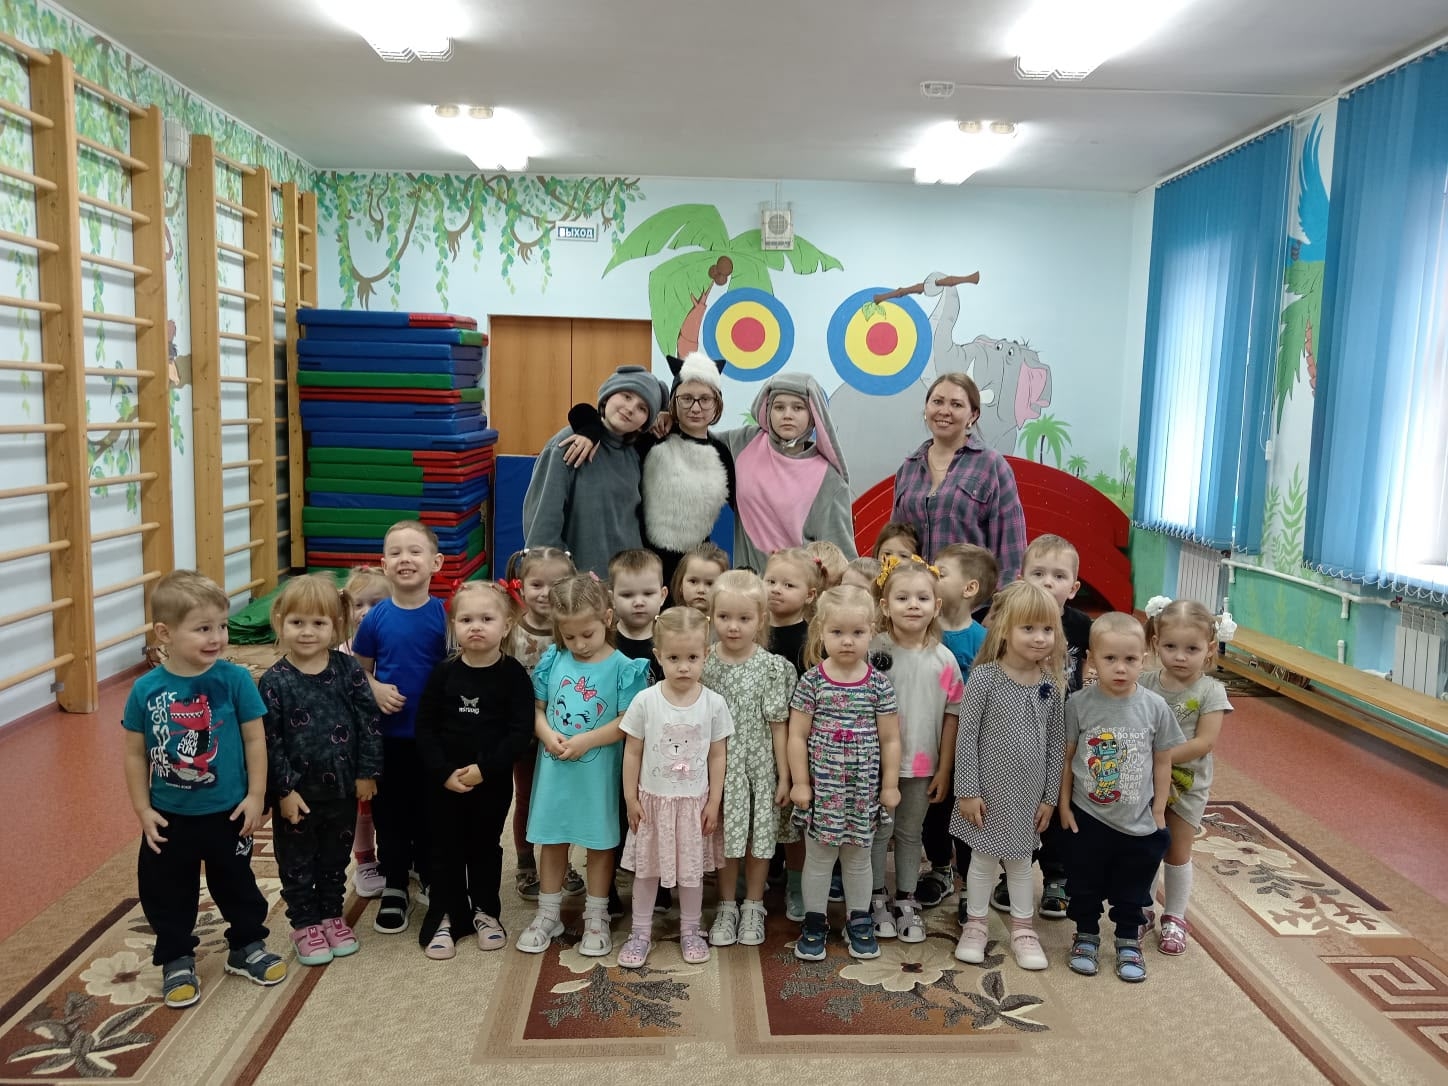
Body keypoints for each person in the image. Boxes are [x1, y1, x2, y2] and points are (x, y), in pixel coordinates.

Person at [122, 570, 287, 1008]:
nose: (217, 637)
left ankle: (246, 945)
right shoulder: (145, 690)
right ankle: (176, 956)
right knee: (165, 890)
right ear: (165, 633)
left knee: (237, 883)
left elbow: (255, 740)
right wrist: (142, 810)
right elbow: (135, 754)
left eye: (221, 626)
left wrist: (257, 795)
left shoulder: (235, 680)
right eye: (202, 629)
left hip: (227, 811)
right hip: (168, 816)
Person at [515, 575, 652, 956]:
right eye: (569, 636)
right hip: (555, 770)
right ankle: (548, 913)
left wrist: (586, 741)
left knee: (599, 842)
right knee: (553, 839)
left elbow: (628, 722)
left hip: (597, 775)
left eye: (587, 634)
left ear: (607, 618)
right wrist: (546, 734)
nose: (579, 644)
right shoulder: (553, 660)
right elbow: (537, 709)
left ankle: (596, 914)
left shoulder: (624, 668)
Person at [261, 574, 383, 968]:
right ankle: (305, 923)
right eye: (297, 622)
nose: (308, 632)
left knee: (334, 858)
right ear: (280, 622)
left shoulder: (348, 670)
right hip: (298, 795)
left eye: (318, 623)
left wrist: (367, 772)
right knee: (297, 862)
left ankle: (331, 915)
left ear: (336, 625)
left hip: (343, 789)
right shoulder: (274, 681)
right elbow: (269, 742)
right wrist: (283, 791)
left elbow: (368, 723)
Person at [1060, 613, 1184, 983]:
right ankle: (1086, 935)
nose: (1120, 668)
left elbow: (1163, 761)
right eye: (1110, 658)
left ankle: (1128, 939)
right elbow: (1066, 759)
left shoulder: (1155, 707)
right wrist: (1064, 805)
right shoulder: (1078, 704)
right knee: (1083, 884)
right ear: (1091, 660)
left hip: (1137, 820)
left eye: (1130, 659)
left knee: (1133, 888)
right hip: (1087, 816)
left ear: (1144, 659)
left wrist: (1159, 809)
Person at [414, 582, 535, 959]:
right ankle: (446, 915)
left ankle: (485, 911)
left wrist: (485, 769)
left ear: (507, 624)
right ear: (454, 625)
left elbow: (520, 733)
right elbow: (425, 727)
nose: (476, 626)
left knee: (484, 846)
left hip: (491, 782)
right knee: (445, 846)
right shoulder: (443, 673)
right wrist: (443, 772)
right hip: (444, 782)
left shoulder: (513, 675)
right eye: (466, 620)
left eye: (486, 618)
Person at [951, 582, 1066, 971]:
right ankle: (976, 925)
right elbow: (966, 737)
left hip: (1028, 798)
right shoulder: (985, 678)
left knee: (1020, 863)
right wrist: (968, 791)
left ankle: (1023, 930)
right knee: (982, 861)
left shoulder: (1050, 685)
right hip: (986, 794)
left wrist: (1049, 798)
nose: (1039, 638)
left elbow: (1055, 745)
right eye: (1028, 628)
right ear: (1005, 630)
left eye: (1047, 629)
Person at [787, 585, 901, 961]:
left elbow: (890, 739)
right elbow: (797, 735)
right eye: (837, 632)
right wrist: (800, 782)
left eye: (857, 632)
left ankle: (859, 919)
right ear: (821, 632)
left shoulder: (879, 685)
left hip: (863, 792)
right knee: (819, 858)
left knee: (858, 858)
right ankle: (815, 920)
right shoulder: (812, 682)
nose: (847, 641)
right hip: (824, 790)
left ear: (872, 631)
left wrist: (890, 785)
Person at [618, 607, 733, 967]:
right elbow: (632, 752)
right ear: (658, 656)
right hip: (652, 805)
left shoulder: (714, 704)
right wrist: (630, 797)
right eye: (674, 658)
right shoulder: (645, 701)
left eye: (692, 658)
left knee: (691, 873)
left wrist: (714, 801)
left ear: (706, 654)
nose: (684, 667)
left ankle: (690, 930)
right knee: (646, 871)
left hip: (693, 806)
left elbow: (718, 755)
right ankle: (639, 933)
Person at [561, 352, 734, 589]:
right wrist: (590, 430)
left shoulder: (722, 453)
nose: (696, 408)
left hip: (693, 573)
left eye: (705, 399)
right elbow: (589, 414)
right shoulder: (651, 437)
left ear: (717, 404)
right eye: (686, 398)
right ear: (674, 400)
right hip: (643, 567)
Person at [351, 520, 449, 935]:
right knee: (390, 814)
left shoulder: (445, 615)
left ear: (436, 563)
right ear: (384, 564)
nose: (405, 559)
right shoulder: (375, 618)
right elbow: (358, 671)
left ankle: (427, 872)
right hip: (388, 737)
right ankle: (394, 883)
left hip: (434, 738)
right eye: (395, 552)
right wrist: (374, 688)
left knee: (431, 810)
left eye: (414, 551)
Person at [990, 534, 1092, 918]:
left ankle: (1057, 876)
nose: (1048, 582)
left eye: (1059, 576)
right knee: (1020, 802)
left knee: (1061, 802)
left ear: (1074, 588)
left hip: (1065, 733)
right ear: (1021, 578)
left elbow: (1093, 666)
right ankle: (1012, 871)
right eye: (1038, 573)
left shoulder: (1081, 626)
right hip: (1021, 728)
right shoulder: (1011, 621)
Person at [867, 556, 963, 945]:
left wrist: (944, 769)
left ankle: (906, 898)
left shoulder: (944, 660)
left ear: (936, 606)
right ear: (885, 605)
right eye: (902, 597)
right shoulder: (873, 650)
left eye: (922, 598)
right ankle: (875, 897)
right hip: (875, 764)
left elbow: (953, 716)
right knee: (878, 831)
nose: (912, 605)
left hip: (923, 765)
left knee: (910, 833)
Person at [702, 570, 796, 948]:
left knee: (760, 839)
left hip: (759, 771)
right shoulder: (704, 664)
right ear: (711, 616)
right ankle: (726, 906)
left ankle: (754, 905)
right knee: (724, 840)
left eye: (744, 618)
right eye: (724, 617)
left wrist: (785, 777)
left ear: (761, 620)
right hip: (718, 771)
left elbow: (779, 727)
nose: (733, 626)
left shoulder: (773, 668)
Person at [1140, 598, 1232, 955]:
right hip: (1144, 782)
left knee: (1177, 851)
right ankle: (1143, 909)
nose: (1180, 657)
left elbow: (1204, 742)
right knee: (1146, 845)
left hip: (1186, 786)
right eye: (1170, 647)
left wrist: (1158, 756)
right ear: (1155, 643)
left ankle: (1175, 916)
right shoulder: (1145, 683)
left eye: (1191, 649)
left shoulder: (1211, 691)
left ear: (1209, 648)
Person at [523, 365, 665, 578]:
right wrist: (560, 578)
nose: (630, 408)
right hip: (578, 585)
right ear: (607, 396)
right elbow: (542, 526)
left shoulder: (637, 455)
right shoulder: (569, 443)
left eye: (642, 408)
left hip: (625, 585)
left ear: (645, 423)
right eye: (626, 396)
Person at [916, 542, 997, 910]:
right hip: (927, 737)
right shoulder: (922, 631)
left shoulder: (983, 641)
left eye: (941, 572)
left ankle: (970, 883)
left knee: (966, 812)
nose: (931, 575)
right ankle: (939, 868)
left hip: (969, 745)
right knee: (932, 810)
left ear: (969, 588)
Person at [500, 547, 584, 902]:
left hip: (566, 732)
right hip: (524, 734)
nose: (546, 593)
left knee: (562, 798)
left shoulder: (574, 631)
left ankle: (562, 862)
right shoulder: (510, 631)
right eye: (537, 584)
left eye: (557, 584)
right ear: (521, 585)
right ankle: (525, 862)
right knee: (527, 797)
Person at [891, 373, 1027, 580]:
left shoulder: (991, 466)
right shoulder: (908, 468)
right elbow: (893, 542)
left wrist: (1003, 599)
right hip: (916, 597)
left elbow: (1011, 552)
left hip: (974, 598)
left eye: (956, 404)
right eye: (937, 402)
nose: (944, 411)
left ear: (973, 415)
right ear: (926, 409)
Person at [719, 373, 856, 572]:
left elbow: (842, 560)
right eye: (779, 407)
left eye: (798, 408)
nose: (787, 415)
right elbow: (696, 443)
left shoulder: (828, 480)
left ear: (813, 414)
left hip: (799, 588)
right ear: (767, 410)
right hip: (748, 587)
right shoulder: (744, 443)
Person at [764, 547, 822, 920]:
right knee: (761, 810)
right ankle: (760, 873)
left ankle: (797, 884)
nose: (776, 589)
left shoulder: (811, 640)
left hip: (800, 744)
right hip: (758, 739)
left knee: (794, 819)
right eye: (770, 581)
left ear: (810, 595)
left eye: (788, 585)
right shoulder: (754, 630)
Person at [339, 565, 391, 899]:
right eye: (358, 604)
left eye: (376, 604)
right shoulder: (340, 652)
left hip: (391, 739)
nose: (365, 612)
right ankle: (365, 861)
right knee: (363, 807)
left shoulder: (395, 644)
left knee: (394, 804)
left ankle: (400, 854)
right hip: (356, 746)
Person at [609, 548, 668, 685]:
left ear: (662, 596)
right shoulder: (604, 639)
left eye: (648, 594)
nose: (639, 602)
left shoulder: (670, 639)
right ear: (612, 599)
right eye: (627, 595)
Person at [671, 541, 729, 614]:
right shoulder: (669, 620)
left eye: (710, 584)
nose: (701, 590)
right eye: (693, 581)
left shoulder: (729, 621)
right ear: (680, 584)